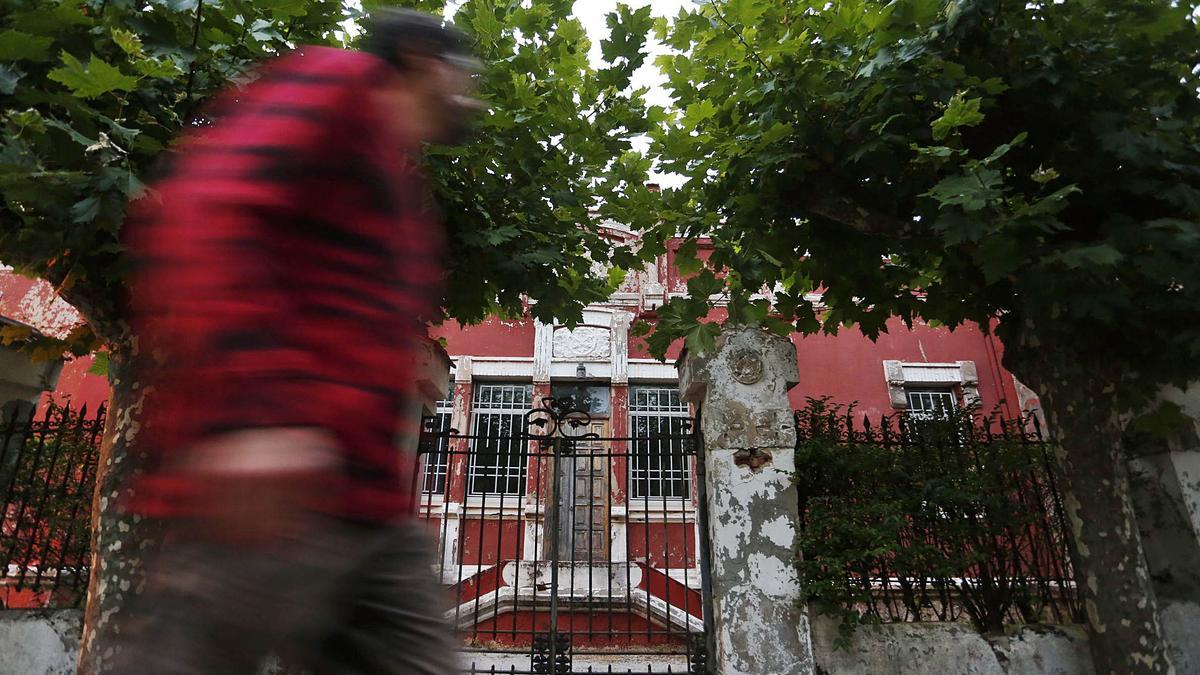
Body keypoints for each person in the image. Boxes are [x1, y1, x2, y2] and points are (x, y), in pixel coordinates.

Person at [116, 10, 479, 674]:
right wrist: (251, 417)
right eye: (465, 76)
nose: (471, 95)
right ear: (426, 58)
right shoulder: (334, 82)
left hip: (368, 510)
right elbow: (210, 205)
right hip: (271, 492)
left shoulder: (396, 179)